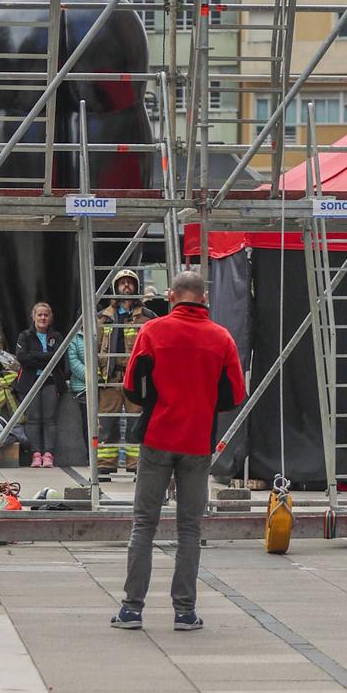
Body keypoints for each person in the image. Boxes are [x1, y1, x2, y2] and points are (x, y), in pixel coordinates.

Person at [111, 270, 245, 633]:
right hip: (197, 441)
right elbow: (235, 395)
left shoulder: (152, 332)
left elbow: (130, 386)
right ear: (204, 299)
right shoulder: (221, 338)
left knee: (144, 525)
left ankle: (131, 609)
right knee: (189, 528)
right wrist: (201, 405)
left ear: (170, 296)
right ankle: (184, 611)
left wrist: (155, 402)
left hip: (157, 438)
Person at [97, 270, 143, 475]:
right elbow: (95, 347)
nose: (126, 286)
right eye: (122, 283)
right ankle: (105, 466)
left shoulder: (147, 317)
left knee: (137, 422)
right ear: (116, 288)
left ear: (136, 287)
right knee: (107, 424)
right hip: (110, 378)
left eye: (130, 283)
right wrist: (97, 374)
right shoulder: (103, 318)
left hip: (136, 378)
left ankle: (137, 466)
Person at [13, 303, 67, 469]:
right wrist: (45, 357)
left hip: (51, 382)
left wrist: (35, 356)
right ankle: (36, 454)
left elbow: (58, 357)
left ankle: (48, 454)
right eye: (39, 315)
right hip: (30, 382)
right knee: (33, 419)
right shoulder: (25, 336)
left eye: (46, 315)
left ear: (50, 318)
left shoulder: (57, 337)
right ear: (33, 317)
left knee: (50, 420)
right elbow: (22, 357)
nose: (43, 318)